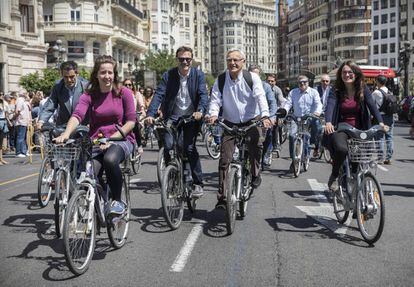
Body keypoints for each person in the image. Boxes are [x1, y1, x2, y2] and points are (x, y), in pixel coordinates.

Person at [54, 55, 136, 215]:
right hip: (97, 142)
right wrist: (65, 134)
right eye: (103, 72)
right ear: (96, 75)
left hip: (121, 139)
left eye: (110, 73)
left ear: (115, 74)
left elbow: (131, 121)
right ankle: (103, 201)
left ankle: (117, 201)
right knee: (90, 174)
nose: (107, 76)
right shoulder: (89, 95)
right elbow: (77, 115)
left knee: (110, 160)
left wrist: (114, 138)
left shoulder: (123, 92)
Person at [207, 48, 271, 208]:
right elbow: (215, 99)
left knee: (256, 146)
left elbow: (260, 97)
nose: (232, 63)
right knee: (224, 159)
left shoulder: (252, 78)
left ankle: (256, 174)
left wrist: (265, 115)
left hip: (252, 120)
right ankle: (222, 198)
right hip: (230, 122)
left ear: (243, 62)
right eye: (229, 60)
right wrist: (213, 114)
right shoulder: (221, 80)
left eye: (236, 60)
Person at [145, 46, 208, 197]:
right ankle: (172, 177)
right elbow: (159, 94)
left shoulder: (198, 75)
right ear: (177, 60)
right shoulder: (169, 75)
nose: (185, 62)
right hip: (172, 117)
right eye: (181, 59)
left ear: (192, 60)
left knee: (189, 148)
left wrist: (200, 110)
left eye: (188, 59)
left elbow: (203, 94)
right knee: (168, 146)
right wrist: (151, 114)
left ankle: (197, 183)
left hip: (191, 117)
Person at [324, 61, 387, 191]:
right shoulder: (335, 90)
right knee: (342, 149)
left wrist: (380, 122)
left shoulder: (363, 89)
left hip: (360, 131)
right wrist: (328, 122)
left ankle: (356, 202)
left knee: (356, 164)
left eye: (350, 72)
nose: (347, 75)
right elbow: (330, 106)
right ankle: (335, 175)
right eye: (344, 72)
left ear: (356, 74)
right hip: (341, 129)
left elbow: (373, 107)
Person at [283, 75, 322, 172]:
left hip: (310, 118)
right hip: (296, 118)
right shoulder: (293, 92)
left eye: (304, 82)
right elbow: (288, 103)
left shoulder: (314, 92)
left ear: (308, 83)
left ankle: (311, 145)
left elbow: (318, 104)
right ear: (298, 83)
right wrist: (284, 110)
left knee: (313, 131)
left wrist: (317, 112)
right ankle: (293, 160)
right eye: (300, 82)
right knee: (292, 136)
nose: (302, 84)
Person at [37, 61, 88, 129]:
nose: (69, 80)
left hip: (82, 127)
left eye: (72, 76)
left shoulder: (86, 87)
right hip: (63, 127)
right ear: (61, 75)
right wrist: (41, 121)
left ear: (77, 74)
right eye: (66, 77)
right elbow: (50, 106)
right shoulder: (58, 87)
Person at [247, 65, 277, 168]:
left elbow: (272, 103)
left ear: (260, 76)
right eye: (252, 74)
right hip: (248, 118)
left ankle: (265, 155)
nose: (254, 77)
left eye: (257, 74)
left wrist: (271, 117)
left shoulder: (266, 86)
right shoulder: (243, 84)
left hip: (262, 118)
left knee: (267, 136)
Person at [372, 75, 394, 164]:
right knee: (389, 137)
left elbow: (371, 104)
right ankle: (389, 158)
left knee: (379, 137)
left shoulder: (376, 92)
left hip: (379, 117)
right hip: (389, 117)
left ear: (378, 81)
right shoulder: (390, 92)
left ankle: (380, 158)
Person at [266, 73, 287, 156]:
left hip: (275, 111)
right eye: (268, 81)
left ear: (275, 82)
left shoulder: (277, 90)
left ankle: (275, 145)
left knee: (275, 127)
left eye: (272, 81)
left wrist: (281, 111)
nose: (270, 82)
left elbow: (282, 101)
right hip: (264, 111)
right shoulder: (262, 88)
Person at [123, 78, 145, 154]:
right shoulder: (120, 94)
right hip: (123, 116)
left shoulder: (136, 94)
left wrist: (142, 109)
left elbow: (141, 103)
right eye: (125, 85)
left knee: (136, 127)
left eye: (129, 85)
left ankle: (139, 145)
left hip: (132, 115)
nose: (127, 86)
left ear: (132, 86)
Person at [312, 74, 332, 157]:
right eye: (323, 81)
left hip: (328, 113)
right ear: (321, 82)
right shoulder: (316, 90)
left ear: (329, 82)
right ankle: (316, 148)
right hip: (318, 113)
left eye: (327, 81)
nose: (325, 83)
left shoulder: (331, 90)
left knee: (331, 131)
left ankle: (331, 151)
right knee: (318, 129)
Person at [13, 91, 31, 157]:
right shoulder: (20, 100)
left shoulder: (24, 101)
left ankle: (24, 151)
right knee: (20, 137)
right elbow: (18, 111)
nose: (27, 94)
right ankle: (18, 152)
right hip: (21, 122)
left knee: (23, 138)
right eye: (26, 93)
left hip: (24, 122)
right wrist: (14, 118)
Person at [0, 94, 10, 164]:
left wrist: (8, 121)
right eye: (0, 95)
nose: (2, 96)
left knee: (1, 142)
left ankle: (1, 159)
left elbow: (6, 113)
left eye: (2, 95)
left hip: (3, 122)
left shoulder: (4, 103)